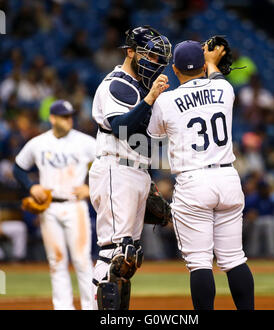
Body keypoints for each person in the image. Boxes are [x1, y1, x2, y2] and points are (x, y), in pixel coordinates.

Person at [147, 40, 254, 310]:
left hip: (194, 182)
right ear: (204, 66)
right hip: (228, 178)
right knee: (234, 259)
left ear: (174, 69)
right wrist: (211, 62)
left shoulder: (167, 101)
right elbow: (214, 75)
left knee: (200, 262)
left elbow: (154, 133)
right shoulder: (224, 87)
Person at [88, 25, 172, 310]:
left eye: (159, 59)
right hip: (115, 169)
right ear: (131, 52)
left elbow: (146, 143)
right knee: (114, 252)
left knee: (128, 259)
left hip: (134, 172)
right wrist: (151, 99)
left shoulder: (141, 88)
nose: (156, 64)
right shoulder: (117, 84)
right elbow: (122, 128)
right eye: (149, 56)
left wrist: (147, 182)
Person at [13, 100, 96, 310]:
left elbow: (106, 167)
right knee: (56, 261)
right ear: (52, 118)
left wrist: (90, 188)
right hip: (48, 208)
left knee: (82, 261)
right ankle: (63, 307)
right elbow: (18, 168)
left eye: (70, 116)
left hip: (75, 205)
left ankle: (90, 308)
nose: (69, 119)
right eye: (63, 116)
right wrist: (31, 187)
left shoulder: (86, 142)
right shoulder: (39, 143)